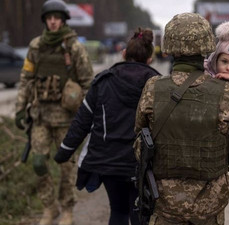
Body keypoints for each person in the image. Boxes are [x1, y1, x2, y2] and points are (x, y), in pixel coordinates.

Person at [134, 13, 229, 225]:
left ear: (169, 46)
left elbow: (139, 131)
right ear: (207, 46)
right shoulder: (225, 91)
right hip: (209, 208)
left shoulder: (153, 87)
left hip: (164, 204)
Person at [53, 28, 160, 225]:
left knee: (118, 212)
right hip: (143, 164)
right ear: (150, 59)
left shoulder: (103, 82)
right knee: (141, 214)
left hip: (109, 164)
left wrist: (64, 152)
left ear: (123, 54)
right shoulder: (158, 85)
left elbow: (82, 122)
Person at [14, 0, 93, 225]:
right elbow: (26, 78)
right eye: (49, 18)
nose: (53, 21)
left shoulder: (74, 47)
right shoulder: (36, 46)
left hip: (66, 119)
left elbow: (88, 82)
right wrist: (20, 109)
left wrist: (84, 113)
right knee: (38, 163)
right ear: (45, 21)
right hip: (40, 116)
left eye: (57, 17)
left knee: (67, 168)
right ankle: (49, 208)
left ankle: (67, 209)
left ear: (64, 20)